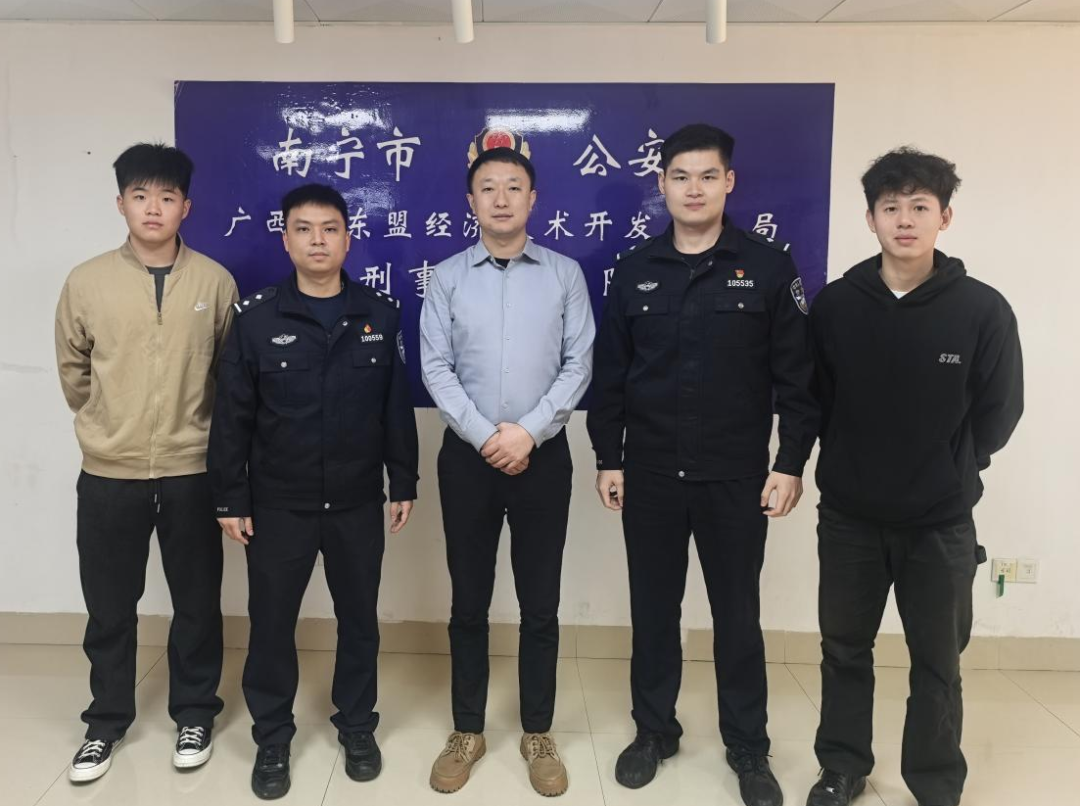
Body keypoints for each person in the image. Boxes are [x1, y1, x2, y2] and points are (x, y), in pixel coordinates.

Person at [587, 123, 818, 806]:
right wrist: (609, 457)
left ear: (729, 183)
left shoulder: (768, 268)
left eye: (708, 176)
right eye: (681, 177)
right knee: (654, 612)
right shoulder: (635, 269)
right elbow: (612, 375)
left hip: (735, 476)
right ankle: (653, 731)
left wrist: (791, 463)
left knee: (737, 617)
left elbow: (796, 378)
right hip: (652, 473)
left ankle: (748, 748)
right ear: (661, 184)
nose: (694, 189)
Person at [804, 148, 1023, 806]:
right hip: (849, 517)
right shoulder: (837, 306)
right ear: (870, 218)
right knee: (844, 648)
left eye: (919, 207)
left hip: (941, 522)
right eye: (891, 207)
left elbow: (999, 411)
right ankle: (843, 766)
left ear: (943, 217)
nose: (905, 220)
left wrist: (953, 467)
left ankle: (934, 780)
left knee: (938, 660)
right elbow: (816, 400)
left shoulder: (981, 310)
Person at [208, 183, 418, 800]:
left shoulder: (379, 313)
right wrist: (230, 496)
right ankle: (273, 737)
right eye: (304, 229)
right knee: (272, 624)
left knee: (360, 622)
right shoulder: (256, 319)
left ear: (348, 239)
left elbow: (395, 408)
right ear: (287, 240)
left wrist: (402, 480)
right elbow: (232, 416)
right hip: (280, 504)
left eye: (330, 229)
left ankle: (357, 725)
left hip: (356, 501)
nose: (318, 240)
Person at [55, 142, 236, 782]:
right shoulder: (86, 281)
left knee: (197, 603)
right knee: (110, 606)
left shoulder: (215, 282)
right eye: (140, 196)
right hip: (110, 473)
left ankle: (195, 712)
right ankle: (105, 723)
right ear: (121, 204)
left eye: (166, 197)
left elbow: (228, 377)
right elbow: (74, 370)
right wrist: (111, 425)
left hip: (192, 470)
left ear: (186, 206)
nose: (152, 208)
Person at [420, 144, 595, 797]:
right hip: (467, 460)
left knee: (540, 602)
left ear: (533, 199)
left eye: (513, 186)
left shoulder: (565, 275)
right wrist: (486, 436)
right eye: (488, 187)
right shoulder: (446, 278)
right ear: (471, 202)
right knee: (468, 600)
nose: (500, 198)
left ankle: (537, 731)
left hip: (543, 457)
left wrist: (528, 432)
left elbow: (578, 363)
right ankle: (467, 729)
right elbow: (435, 367)